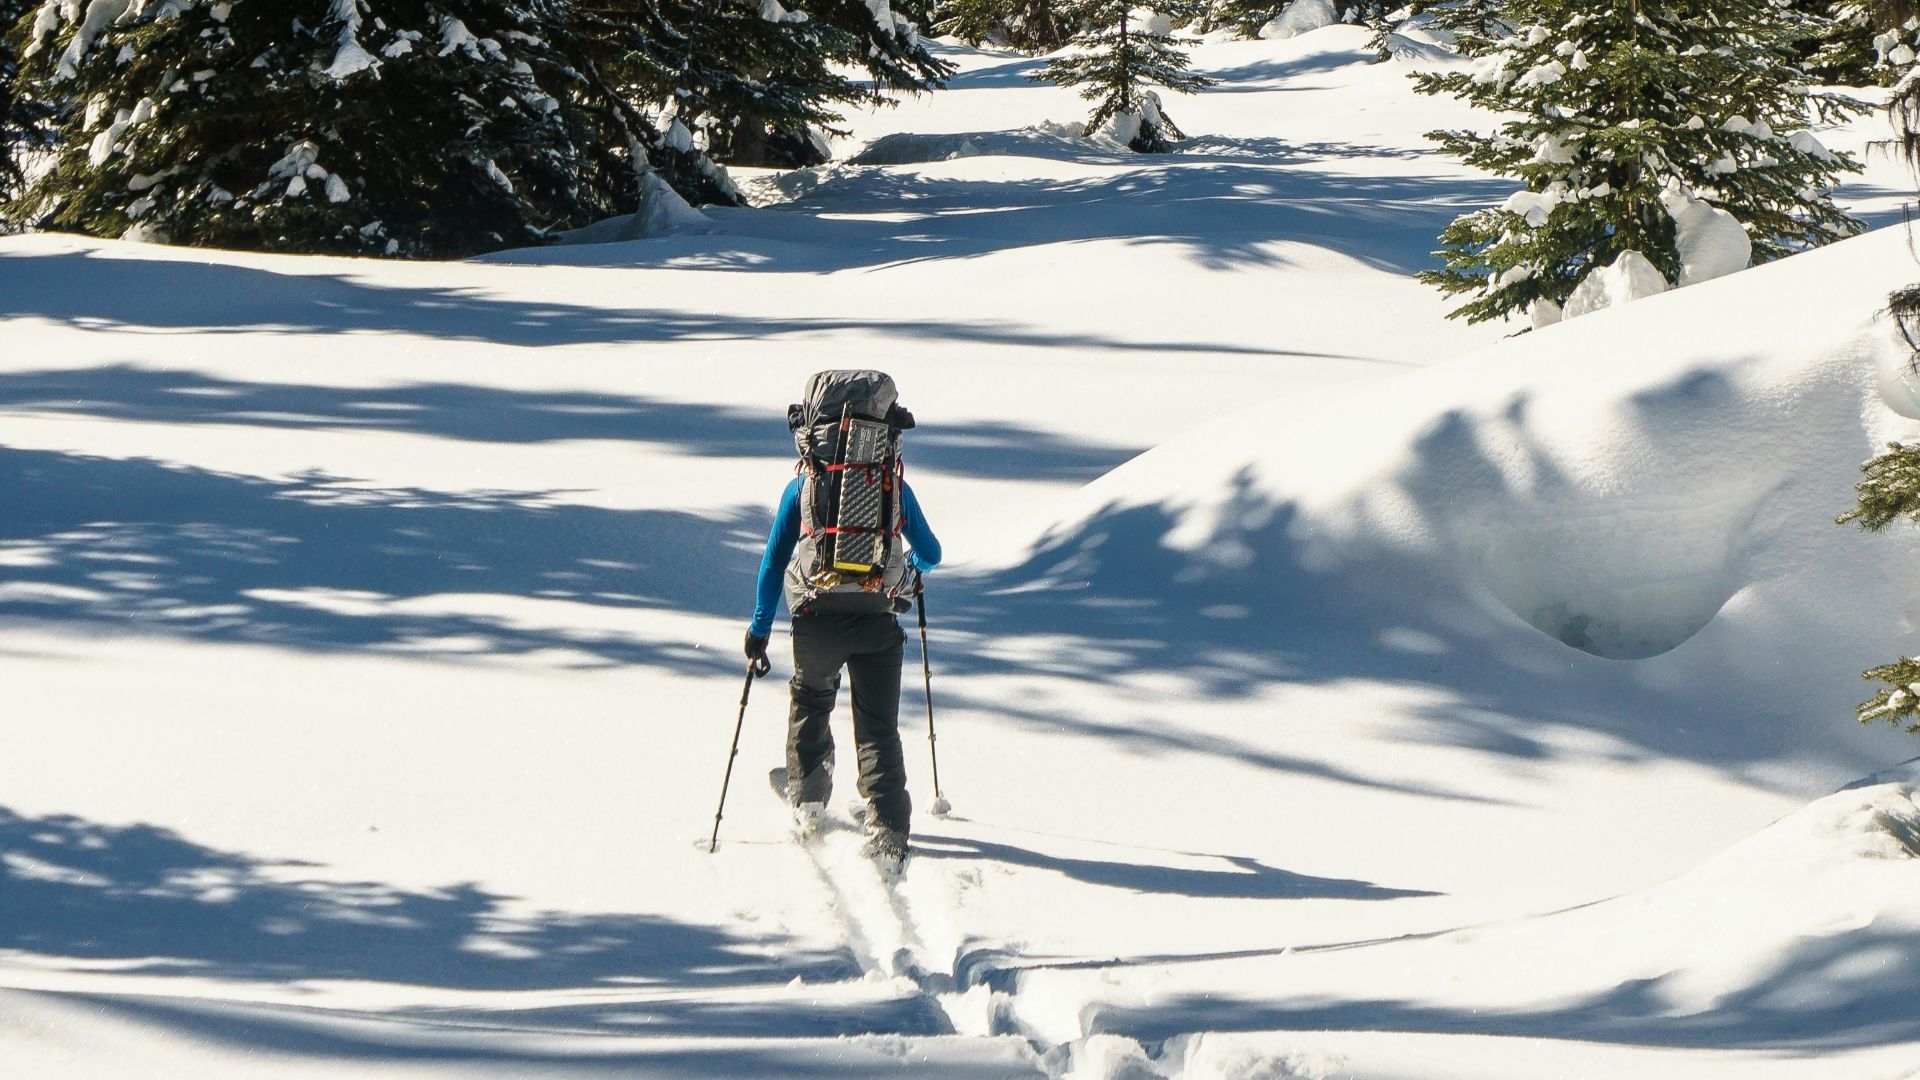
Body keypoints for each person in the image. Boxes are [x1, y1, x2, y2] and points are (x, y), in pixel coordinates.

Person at [745, 376, 941, 866]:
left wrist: (759, 630)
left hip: (815, 617)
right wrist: (908, 575)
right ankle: (890, 831)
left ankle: (808, 798)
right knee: (878, 729)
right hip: (878, 620)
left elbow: (772, 565)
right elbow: (933, 553)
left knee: (811, 699)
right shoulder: (892, 486)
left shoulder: (803, 486)